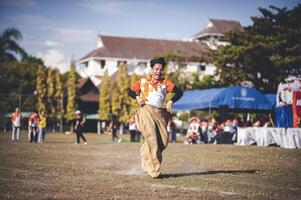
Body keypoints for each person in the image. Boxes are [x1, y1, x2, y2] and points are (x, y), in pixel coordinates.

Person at [128, 57, 183, 178]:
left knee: (162, 142)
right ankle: (155, 171)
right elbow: (130, 91)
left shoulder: (165, 83)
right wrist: (137, 97)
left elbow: (179, 92)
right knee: (151, 138)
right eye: (156, 69)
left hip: (160, 114)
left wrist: (170, 101)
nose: (159, 71)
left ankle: (145, 155)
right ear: (152, 69)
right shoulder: (142, 82)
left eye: (161, 69)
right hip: (145, 111)